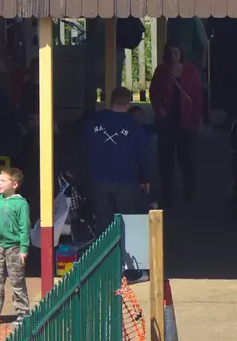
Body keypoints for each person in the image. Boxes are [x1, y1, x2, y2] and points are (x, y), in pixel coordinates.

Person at [86, 87, 151, 225]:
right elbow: (143, 155)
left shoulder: (92, 122)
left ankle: (106, 247)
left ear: (111, 101)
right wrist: (145, 179)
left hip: (98, 180)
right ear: (129, 103)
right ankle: (124, 247)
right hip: (126, 181)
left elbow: (83, 148)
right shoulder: (134, 127)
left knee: (104, 227)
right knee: (127, 225)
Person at [150, 44, 203, 207]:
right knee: (165, 160)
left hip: (185, 119)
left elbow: (197, 96)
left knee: (186, 158)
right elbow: (153, 92)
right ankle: (167, 195)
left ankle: (189, 193)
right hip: (167, 120)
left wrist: (197, 119)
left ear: (181, 54)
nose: (173, 56)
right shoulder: (161, 71)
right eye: (170, 53)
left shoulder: (190, 71)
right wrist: (159, 109)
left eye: (176, 52)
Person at [0, 167, 31, 321]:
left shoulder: (21, 204)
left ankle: (22, 311)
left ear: (15, 184)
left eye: (3, 180)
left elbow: (25, 228)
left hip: (14, 247)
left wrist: (24, 249)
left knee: (17, 279)